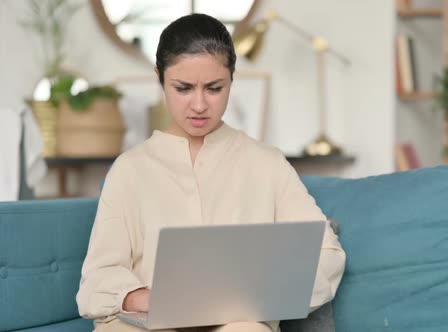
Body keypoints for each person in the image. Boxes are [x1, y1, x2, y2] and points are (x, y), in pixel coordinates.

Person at [76, 13, 346, 332]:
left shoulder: (267, 164)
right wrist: (139, 297)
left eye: (214, 88)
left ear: (232, 78)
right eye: (184, 88)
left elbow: (326, 255)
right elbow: (97, 278)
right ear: (160, 77)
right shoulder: (129, 170)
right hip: (148, 325)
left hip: (237, 322)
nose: (199, 105)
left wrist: (256, 293)